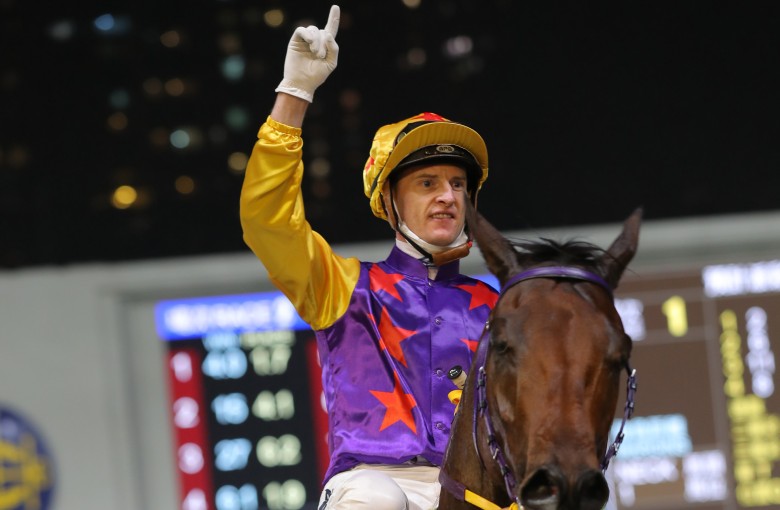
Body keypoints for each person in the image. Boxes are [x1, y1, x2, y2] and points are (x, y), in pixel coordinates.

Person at [239, 5, 498, 509]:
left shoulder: (497, 307)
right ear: (389, 202)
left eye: (458, 184)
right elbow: (267, 222)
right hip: (371, 484)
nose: (447, 196)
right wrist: (295, 94)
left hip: (477, 492)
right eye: (427, 184)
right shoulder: (342, 286)